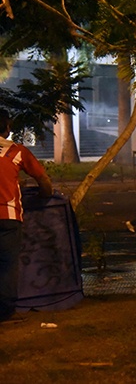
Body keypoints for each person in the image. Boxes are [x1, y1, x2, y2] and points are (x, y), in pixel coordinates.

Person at [0, 109, 53, 322]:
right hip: (8, 216)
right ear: (7, 128)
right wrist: (44, 196)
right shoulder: (17, 151)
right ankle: (5, 312)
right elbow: (44, 181)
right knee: (7, 265)